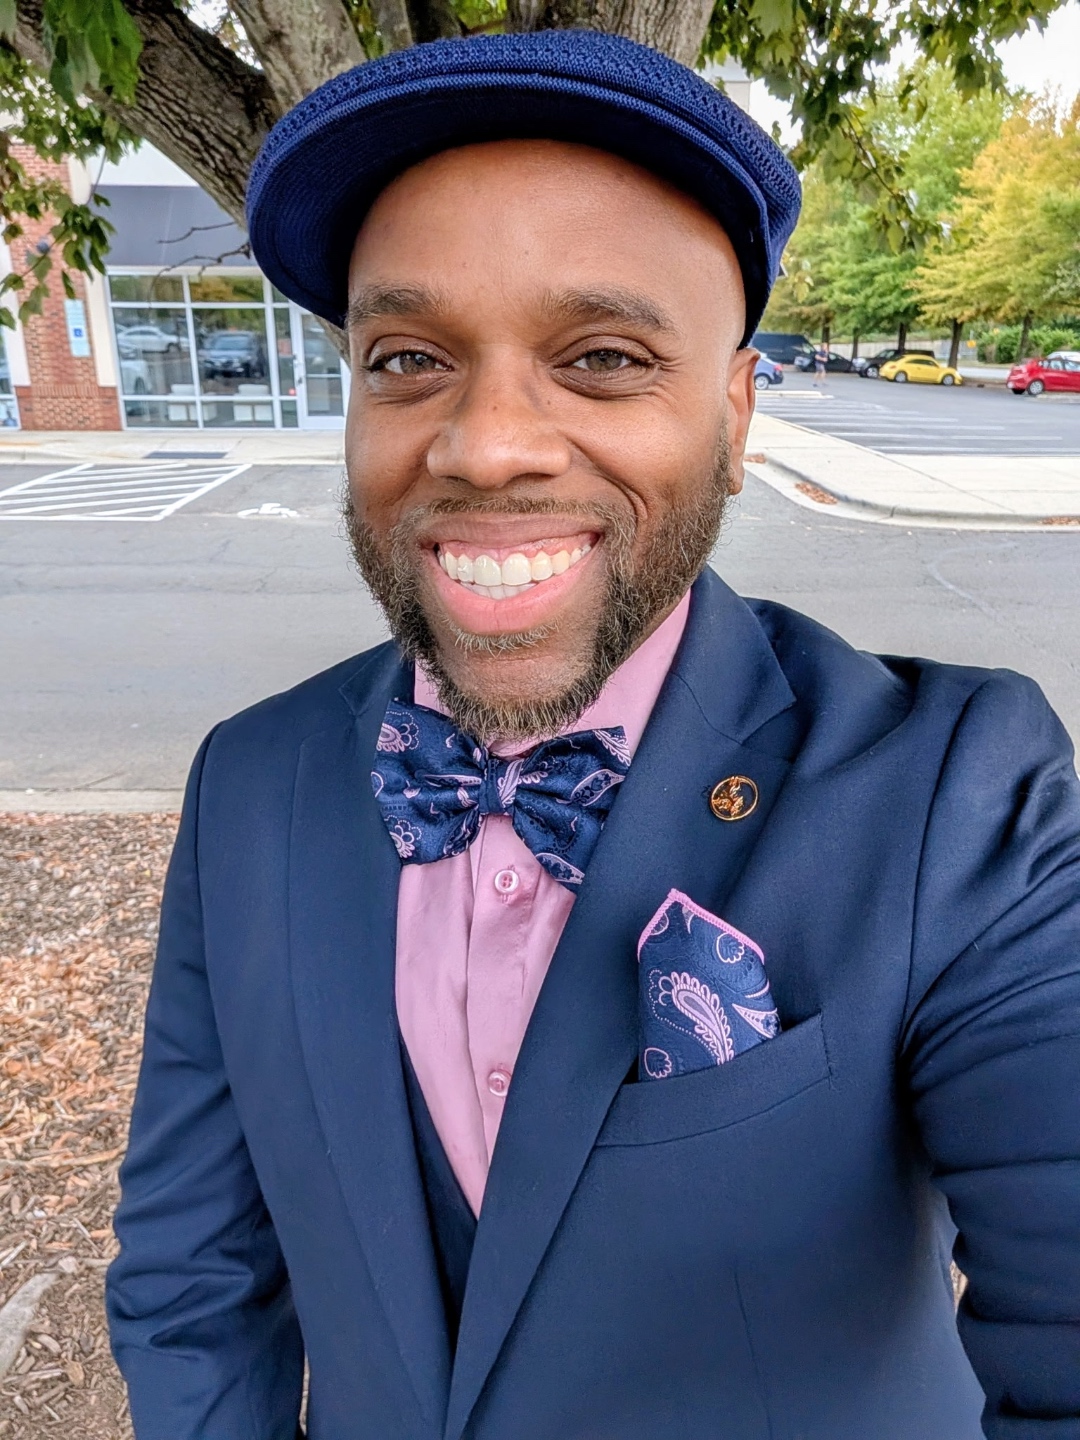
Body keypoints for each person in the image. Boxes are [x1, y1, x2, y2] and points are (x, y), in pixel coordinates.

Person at [106, 31, 1080, 1440]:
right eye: (409, 358)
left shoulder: (959, 791)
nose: (485, 444)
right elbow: (192, 1280)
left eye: (605, 358)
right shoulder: (252, 784)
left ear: (733, 418)